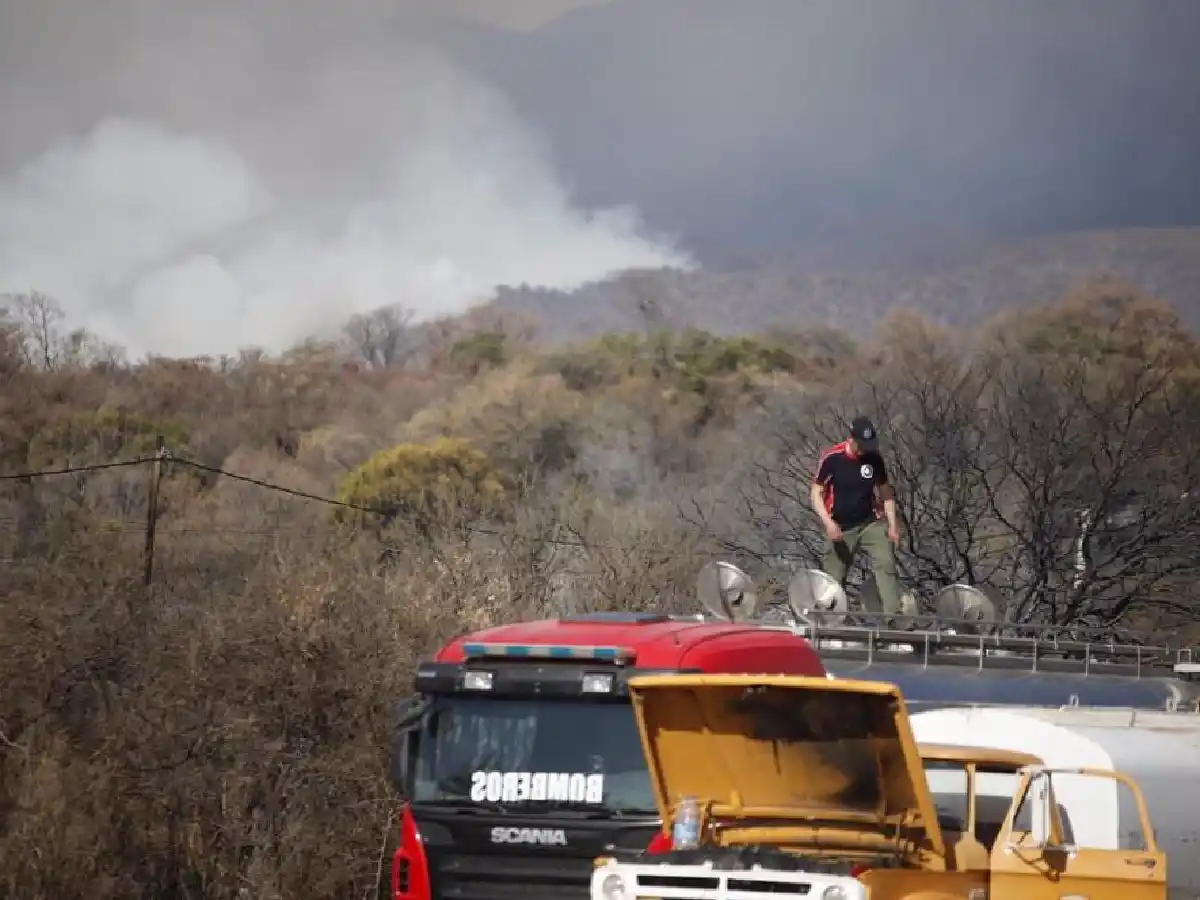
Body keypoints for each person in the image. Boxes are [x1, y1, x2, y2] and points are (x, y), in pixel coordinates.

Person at [810, 415, 903, 616]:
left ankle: (894, 617)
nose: (865, 449)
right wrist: (828, 523)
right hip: (841, 526)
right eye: (861, 444)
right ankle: (832, 620)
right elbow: (816, 493)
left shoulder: (874, 459)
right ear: (851, 440)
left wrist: (893, 525)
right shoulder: (832, 458)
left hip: (870, 522)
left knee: (885, 562)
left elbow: (886, 493)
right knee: (834, 577)